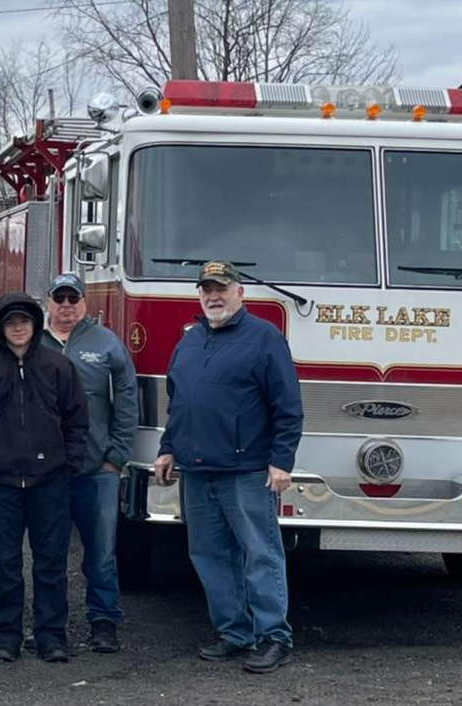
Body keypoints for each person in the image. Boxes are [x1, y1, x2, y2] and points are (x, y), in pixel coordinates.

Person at [153, 261, 303, 674]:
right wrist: (167, 449)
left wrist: (282, 461)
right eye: (206, 290)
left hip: (247, 470)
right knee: (209, 554)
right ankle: (235, 633)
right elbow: (179, 401)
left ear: (240, 293)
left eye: (222, 288)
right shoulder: (190, 340)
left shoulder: (265, 339)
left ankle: (274, 636)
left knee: (260, 554)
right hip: (196, 471)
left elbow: (287, 407)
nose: (213, 296)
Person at [0, 292, 88, 664]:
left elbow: (76, 421)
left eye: (24, 321)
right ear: (0, 328)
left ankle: (51, 635)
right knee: (5, 563)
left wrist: (67, 463)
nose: (18, 328)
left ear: (35, 326)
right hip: (1, 484)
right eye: (10, 322)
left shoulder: (58, 367)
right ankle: (6, 636)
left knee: (51, 562)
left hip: (50, 481)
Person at [39, 273, 138, 654]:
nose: (66, 306)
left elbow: (127, 400)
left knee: (101, 553)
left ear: (85, 302)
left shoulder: (107, 344)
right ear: (48, 303)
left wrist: (117, 457)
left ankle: (104, 621)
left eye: (73, 299)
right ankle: (51, 626)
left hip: (97, 471)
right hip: (47, 473)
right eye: (59, 299)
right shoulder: (33, 343)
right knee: (50, 553)